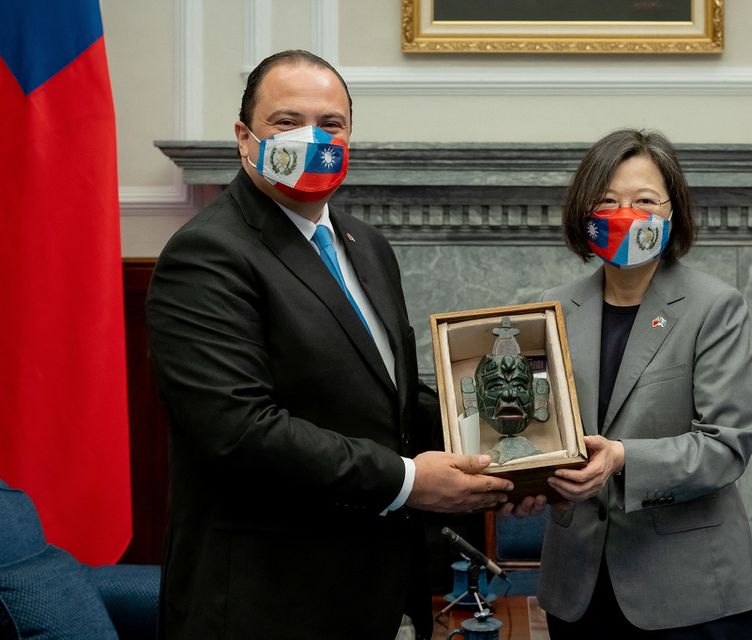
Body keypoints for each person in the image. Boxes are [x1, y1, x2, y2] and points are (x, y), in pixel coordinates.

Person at [145, 50, 514, 640]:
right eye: (287, 123)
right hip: (265, 600)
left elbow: (390, 404)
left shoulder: (364, 245)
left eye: (331, 125)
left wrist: (509, 453)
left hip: (376, 588)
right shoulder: (208, 254)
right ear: (244, 138)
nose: (313, 139)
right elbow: (238, 431)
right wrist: (410, 481)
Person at [537, 129, 752, 638]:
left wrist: (622, 458)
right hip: (577, 588)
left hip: (690, 593)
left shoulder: (714, 307)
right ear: (583, 213)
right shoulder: (551, 308)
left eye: (644, 201)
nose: (626, 215)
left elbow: (727, 446)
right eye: (608, 201)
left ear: (672, 211)